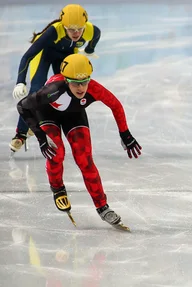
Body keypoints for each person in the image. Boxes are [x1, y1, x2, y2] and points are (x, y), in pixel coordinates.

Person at [16, 53, 141, 231]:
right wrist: (41, 138)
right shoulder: (53, 89)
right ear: (66, 81)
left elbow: (116, 105)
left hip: (74, 115)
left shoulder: (94, 88)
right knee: (56, 153)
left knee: (85, 160)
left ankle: (102, 207)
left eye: (85, 82)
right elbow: (22, 106)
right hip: (47, 113)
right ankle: (58, 188)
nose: (81, 87)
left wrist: (125, 133)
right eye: (75, 82)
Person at [10, 4, 101, 154]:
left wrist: (90, 50)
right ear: (64, 27)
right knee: (37, 90)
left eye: (80, 28)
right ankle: (20, 134)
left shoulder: (91, 30)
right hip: (44, 54)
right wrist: (20, 81)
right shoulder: (53, 32)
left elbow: (96, 36)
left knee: (66, 89)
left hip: (65, 56)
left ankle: (42, 120)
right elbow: (27, 56)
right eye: (71, 29)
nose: (76, 33)